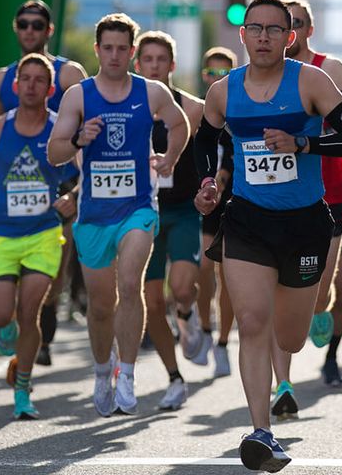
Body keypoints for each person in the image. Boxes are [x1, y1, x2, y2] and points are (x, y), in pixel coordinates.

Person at [192, 0, 342, 472]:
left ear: (290, 38)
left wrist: (303, 142)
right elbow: (206, 144)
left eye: (274, 29)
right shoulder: (224, 91)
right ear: (243, 35)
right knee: (252, 322)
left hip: (305, 225)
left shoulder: (311, 80)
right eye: (255, 28)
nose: (264, 36)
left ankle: (300, 335)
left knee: (288, 338)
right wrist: (208, 185)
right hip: (247, 220)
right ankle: (262, 433)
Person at [48, 13, 188, 417]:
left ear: (132, 52)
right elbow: (55, 153)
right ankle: (101, 370)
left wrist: (169, 157)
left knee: (130, 284)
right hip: (93, 213)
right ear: (97, 50)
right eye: (106, 48)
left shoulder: (151, 92)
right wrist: (78, 138)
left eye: (121, 49)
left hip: (138, 207)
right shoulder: (78, 95)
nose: (114, 55)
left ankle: (127, 374)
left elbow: (179, 125)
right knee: (100, 304)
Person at [0, 53, 77, 419]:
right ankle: (3, 330)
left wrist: (72, 197)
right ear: (15, 86)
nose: (31, 85)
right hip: (1, 234)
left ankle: (23, 391)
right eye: (25, 78)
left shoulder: (60, 129)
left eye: (39, 80)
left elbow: (85, 167)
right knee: (0, 315)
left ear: (50, 88)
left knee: (30, 312)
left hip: (43, 233)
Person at [274, 0, 342, 398]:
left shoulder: (329, 69)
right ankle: (282, 383)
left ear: (308, 30)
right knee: (279, 289)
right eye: (285, 24)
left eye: (298, 23)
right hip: (275, 197)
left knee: (318, 291)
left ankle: (323, 320)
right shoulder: (263, 74)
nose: (291, 31)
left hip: (327, 197)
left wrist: (308, 143)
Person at [0, 0, 88, 366]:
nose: (30, 30)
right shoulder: (0, 79)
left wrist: (80, 185)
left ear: (48, 30)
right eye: (24, 24)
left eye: (37, 25)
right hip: (18, 184)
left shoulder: (68, 75)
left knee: (54, 268)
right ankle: (16, 322)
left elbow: (85, 125)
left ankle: (42, 331)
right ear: (16, 29)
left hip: (62, 180)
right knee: (11, 268)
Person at [133, 30, 211, 411]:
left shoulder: (193, 108)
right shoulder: (126, 108)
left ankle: (188, 314)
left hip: (180, 211)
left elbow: (213, 151)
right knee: (149, 301)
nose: (154, 66)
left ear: (172, 65)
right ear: (137, 64)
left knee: (181, 289)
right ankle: (174, 378)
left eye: (161, 60)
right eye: (147, 59)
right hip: (141, 212)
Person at [197, 46, 237, 378]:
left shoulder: (239, 113)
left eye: (224, 74)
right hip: (201, 201)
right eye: (212, 73)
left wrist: (223, 179)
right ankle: (203, 330)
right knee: (202, 271)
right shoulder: (197, 112)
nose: (217, 79)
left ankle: (223, 343)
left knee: (227, 278)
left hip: (234, 202)